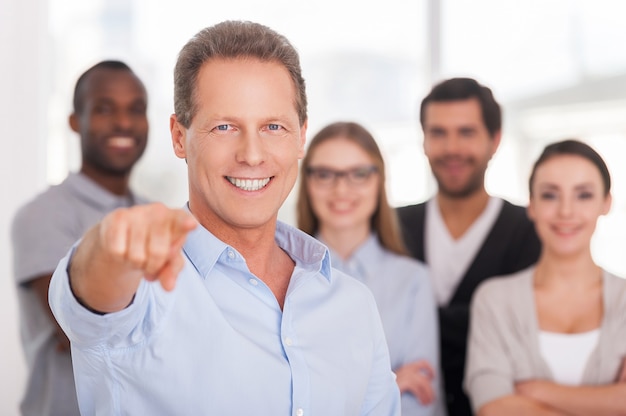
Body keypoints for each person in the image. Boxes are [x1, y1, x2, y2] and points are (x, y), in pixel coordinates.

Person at [48, 21, 400, 415]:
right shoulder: (142, 291)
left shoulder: (353, 305)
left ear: (301, 137)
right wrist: (111, 247)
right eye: (224, 126)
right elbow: (89, 289)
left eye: (273, 127)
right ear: (180, 137)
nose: (251, 154)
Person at [10, 60, 149, 416]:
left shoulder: (155, 215)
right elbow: (84, 328)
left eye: (136, 109)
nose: (123, 122)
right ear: (75, 121)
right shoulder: (43, 215)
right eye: (105, 109)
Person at [396, 77, 542, 415]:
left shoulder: (530, 231)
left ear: (495, 140)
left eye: (466, 132)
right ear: (423, 142)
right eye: (438, 133)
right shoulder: (393, 227)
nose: (452, 149)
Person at [465, 139, 626, 415]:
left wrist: (539, 391)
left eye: (583, 195)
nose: (566, 211)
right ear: (532, 206)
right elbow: (493, 408)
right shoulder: (494, 300)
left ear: (606, 203)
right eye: (550, 195)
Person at [296, 121, 443, 416]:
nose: (341, 189)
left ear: (379, 181)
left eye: (359, 174)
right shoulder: (283, 275)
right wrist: (390, 383)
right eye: (325, 174)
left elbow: (419, 403)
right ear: (307, 183)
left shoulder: (413, 280)